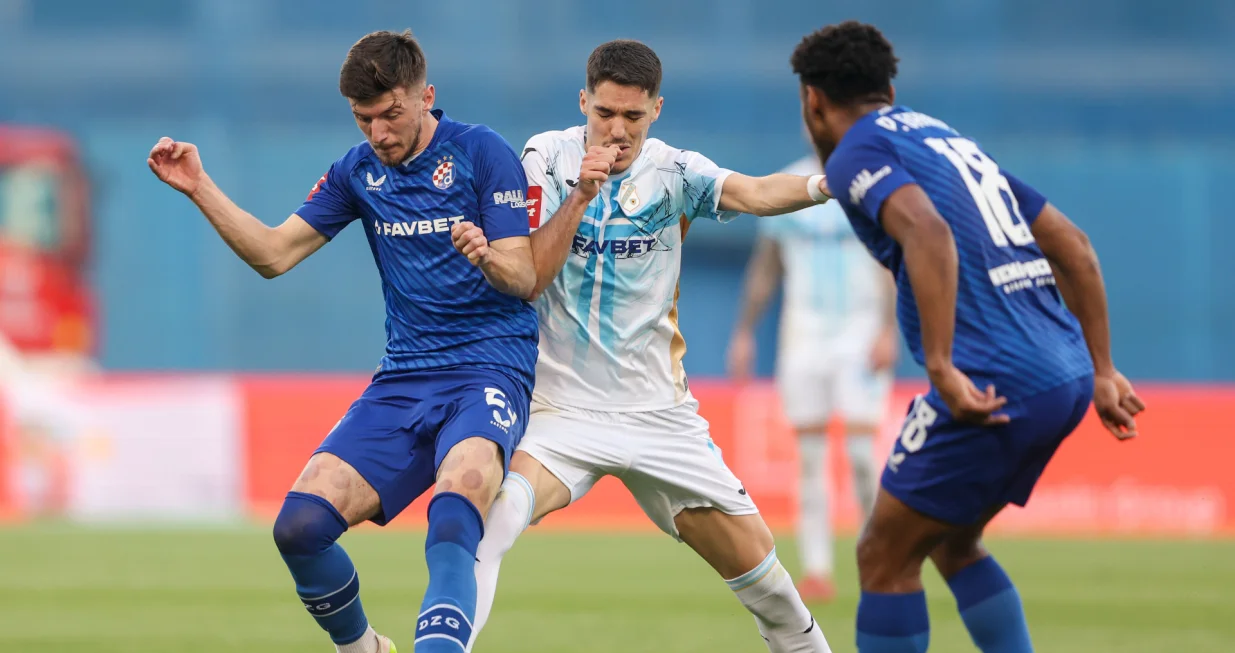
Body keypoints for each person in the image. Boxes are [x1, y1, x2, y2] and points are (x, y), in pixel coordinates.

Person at [147, 29, 538, 653]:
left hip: (488, 370)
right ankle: (362, 649)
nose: (378, 133)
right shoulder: (358, 171)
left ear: (425, 96)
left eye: (391, 115)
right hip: (404, 378)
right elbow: (273, 254)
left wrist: (487, 255)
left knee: (456, 506)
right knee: (299, 527)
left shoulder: (482, 151)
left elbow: (524, 275)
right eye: (363, 119)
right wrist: (200, 187)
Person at [462, 39, 833, 653]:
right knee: (486, 528)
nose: (617, 130)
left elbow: (756, 193)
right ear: (583, 102)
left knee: (770, 587)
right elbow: (528, 274)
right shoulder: (546, 158)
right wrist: (581, 193)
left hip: (661, 417)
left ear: (656, 110)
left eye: (633, 116)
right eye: (604, 112)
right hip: (561, 412)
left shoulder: (675, 172)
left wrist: (827, 185)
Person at [790, 21, 1146, 653]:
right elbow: (1074, 246)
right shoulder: (947, 141)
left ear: (812, 100)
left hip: (995, 379)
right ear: (889, 89)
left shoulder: (853, 154)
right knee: (953, 542)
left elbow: (927, 233)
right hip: (1064, 371)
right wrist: (1103, 368)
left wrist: (940, 366)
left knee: (882, 556)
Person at [728, 153, 897, 602]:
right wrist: (744, 331)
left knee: (862, 454)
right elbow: (766, 267)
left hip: (860, 331)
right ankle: (817, 569)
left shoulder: (867, 182)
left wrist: (889, 329)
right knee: (809, 457)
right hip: (804, 334)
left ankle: (878, 557)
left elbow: (888, 261)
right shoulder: (791, 180)